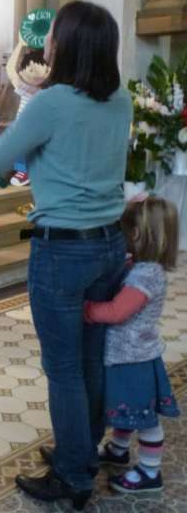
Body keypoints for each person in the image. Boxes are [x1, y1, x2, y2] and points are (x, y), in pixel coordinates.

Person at [0, 0, 133, 510]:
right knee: (90, 359)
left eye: (52, 36)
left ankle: (73, 476)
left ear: (65, 46)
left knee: (64, 367)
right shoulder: (120, 101)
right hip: (110, 243)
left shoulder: (52, 103)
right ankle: (81, 451)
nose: (45, 43)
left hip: (63, 250)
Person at [80, 196, 179, 494]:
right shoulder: (142, 266)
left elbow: (117, 312)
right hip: (126, 355)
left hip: (133, 359)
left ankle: (150, 472)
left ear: (135, 234)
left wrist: (87, 310)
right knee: (126, 409)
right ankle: (118, 449)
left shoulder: (146, 275)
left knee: (143, 418)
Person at [6, 38, 50, 186]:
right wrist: (20, 44)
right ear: (23, 72)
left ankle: (30, 171)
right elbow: (10, 69)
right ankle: (24, 171)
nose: (36, 74)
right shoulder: (24, 87)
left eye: (43, 69)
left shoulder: (49, 90)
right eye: (31, 70)